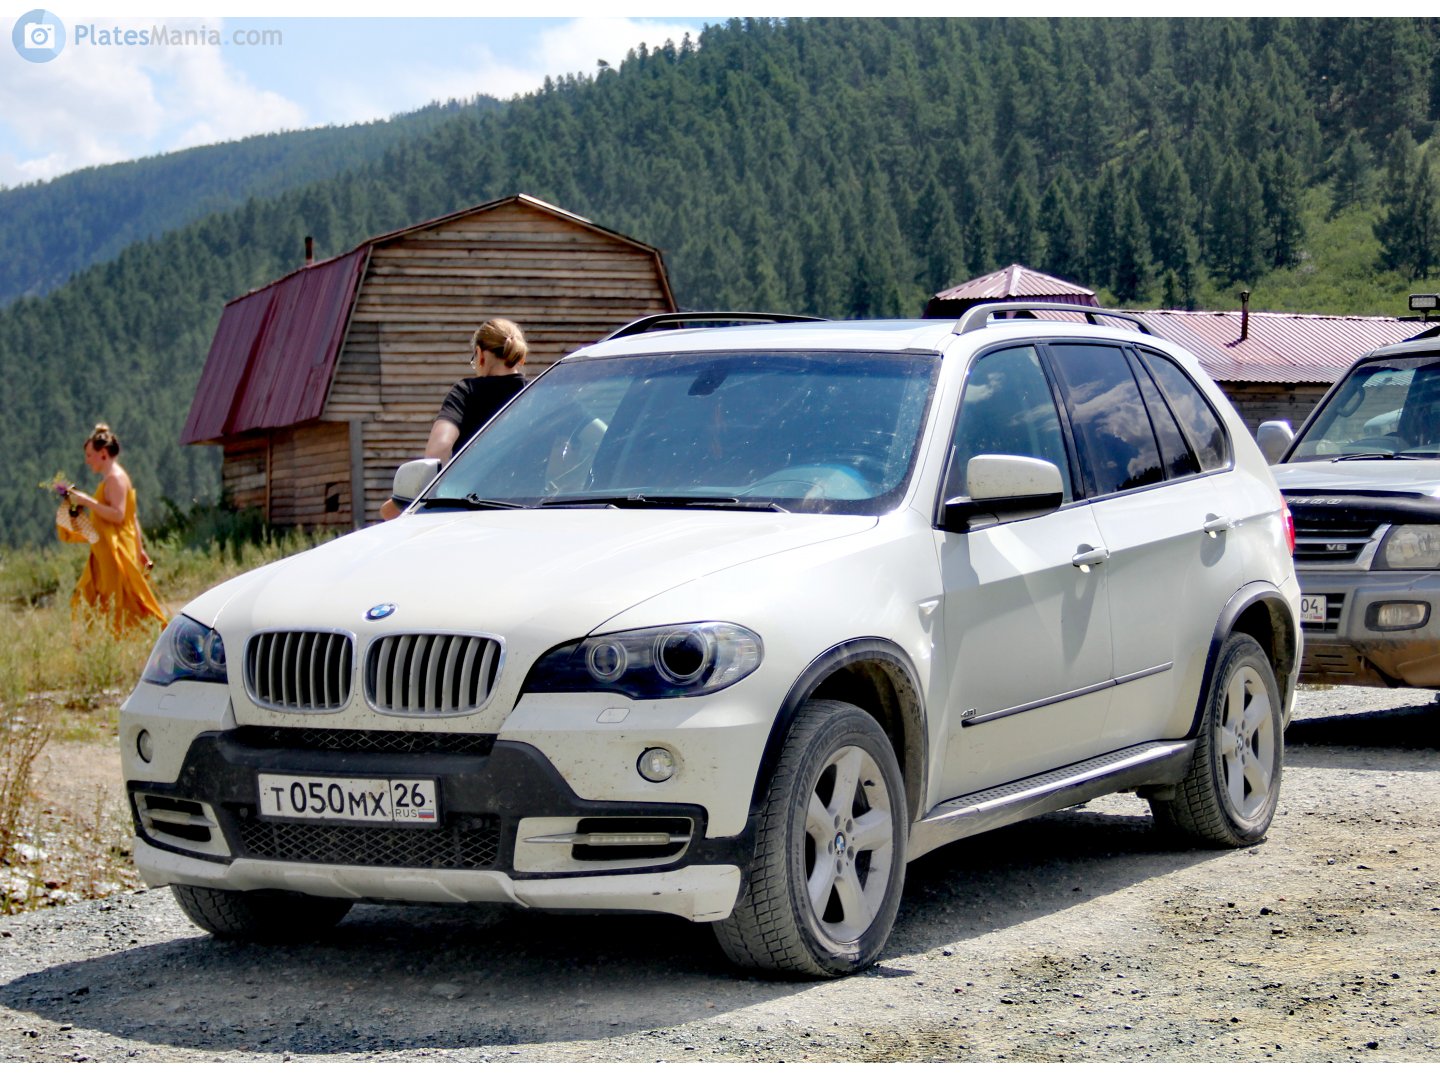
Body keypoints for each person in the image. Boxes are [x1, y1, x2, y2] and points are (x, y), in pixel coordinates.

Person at [380, 318, 530, 520]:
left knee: (388, 513)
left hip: (471, 510)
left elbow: (438, 449)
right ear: (520, 357)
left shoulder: (466, 392)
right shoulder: (538, 394)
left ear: (480, 354)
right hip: (532, 510)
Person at [60, 423, 168, 633]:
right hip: (107, 548)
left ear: (103, 454)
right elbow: (131, 517)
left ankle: (135, 636)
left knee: (121, 599)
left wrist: (86, 501)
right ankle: (104, 637)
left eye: (90, 455)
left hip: (116, 550)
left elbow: (119, 515)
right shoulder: (110, 478)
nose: (87, 460)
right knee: (98, 595)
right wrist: (140, 549)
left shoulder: (116, 479)